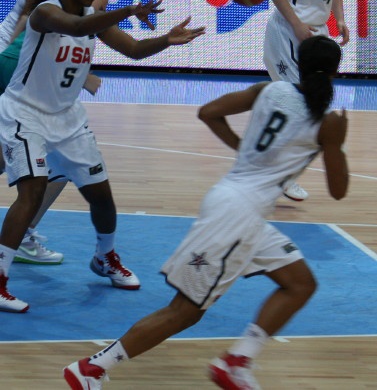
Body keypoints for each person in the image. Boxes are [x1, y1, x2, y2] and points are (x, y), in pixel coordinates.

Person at [63, 35, 348, 390]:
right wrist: (337, 143)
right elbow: (339, 191)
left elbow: (208, 112)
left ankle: (237, 362)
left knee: (300, 283)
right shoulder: (329, 122)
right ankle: (92, 368)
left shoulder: (269, 91)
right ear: (337, 71)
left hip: (233, 204)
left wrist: (243, 150)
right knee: (184, 312)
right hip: (237, 218)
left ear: (297, 63)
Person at [0, 0, 205, 313]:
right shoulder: (45, 13)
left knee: (102, 196)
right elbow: (76, 29)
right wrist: (127, 11)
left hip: (68, 120)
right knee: (30, 193)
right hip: (25, 115)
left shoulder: (93, 20)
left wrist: (166, 40)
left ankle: (104, 257)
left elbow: (135, 50)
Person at [0, 0, 96, 266]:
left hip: (12, 65)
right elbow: (28, 34)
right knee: (53, 162)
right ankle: (23, 235)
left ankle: (23, 232)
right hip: (10, 65)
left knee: (10, 158)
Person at [263, 0, 352, 202]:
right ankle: (280, 175)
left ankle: (275, 170)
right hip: (287, 31)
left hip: (313, 35)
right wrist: (297, 25)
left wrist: (339, 18)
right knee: (301, 106)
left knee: (309, 107)